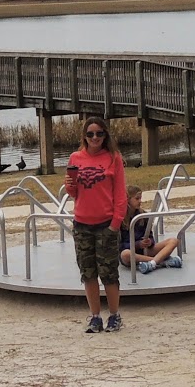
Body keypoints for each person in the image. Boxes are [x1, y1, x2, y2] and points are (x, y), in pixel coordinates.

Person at [65, 117, 129, 333]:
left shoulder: (113, 158)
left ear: (105, 135)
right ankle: (95, 317)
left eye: (99, 133)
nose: (95, 138)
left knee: (109, 273)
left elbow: (120, 195)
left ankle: (114, 315)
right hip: (82, 224)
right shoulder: (75, 158)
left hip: (106, 225)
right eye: (90, 134)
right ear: (84, 136)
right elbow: (74, 193)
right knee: (88, 272)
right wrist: (69, 185)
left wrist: (115, 224)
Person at [120, 184, 182, 273]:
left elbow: (150, 236)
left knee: (173, 241)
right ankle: (161, 261)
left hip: (145, 250)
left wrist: (149, 242)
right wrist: (138, 244)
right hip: (131, 252)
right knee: (125, 254)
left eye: (140, 198)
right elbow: (119, 246)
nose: (140, 201)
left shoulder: (143, 215)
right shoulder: (120, 218)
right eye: (137, 199)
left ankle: (152, 263)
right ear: (127, 200)